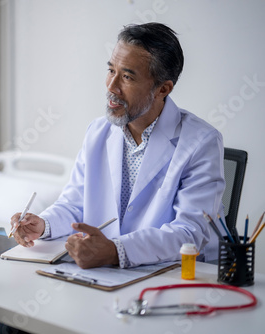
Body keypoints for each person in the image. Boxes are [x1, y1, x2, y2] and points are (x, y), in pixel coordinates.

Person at [11, 22, 226, 270]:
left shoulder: (202, 142)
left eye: (126, 77)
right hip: (106, 272)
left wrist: (117, 250)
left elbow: (189, 233)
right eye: (111, 71)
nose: (111, 87)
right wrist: (43, 224)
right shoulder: (98, 132)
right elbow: (74, 204)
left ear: (163, 89)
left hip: (172, 274)